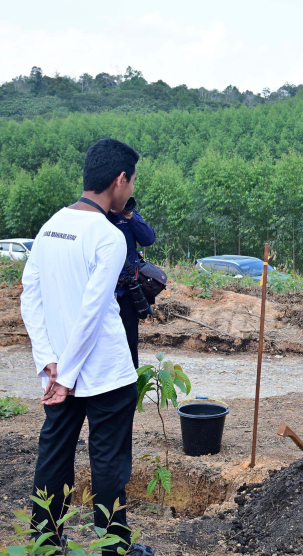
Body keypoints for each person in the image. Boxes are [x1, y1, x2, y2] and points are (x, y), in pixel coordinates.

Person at [20, 139, 154, 555]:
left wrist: (51, 365)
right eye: (131, 183)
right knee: (110, 463)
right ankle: (113, 548)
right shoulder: (108, 236)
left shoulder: (50, 227)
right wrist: (68, 374)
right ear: (119, 179)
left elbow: (30, 296)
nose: (131, 191)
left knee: (54, 453)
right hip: (105, 373)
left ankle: (45, 543)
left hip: (62, 371)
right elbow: (93, 312)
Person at [109, 198, 156, 369]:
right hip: (102, 290)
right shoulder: (98, 215)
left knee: (129, 342)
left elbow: (148, 239)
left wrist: (129, 215)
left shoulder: (129, 215)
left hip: (127, 290)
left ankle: (131, 387)